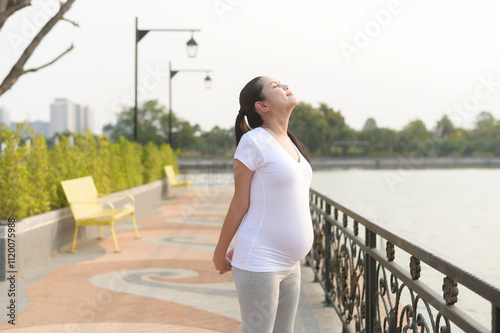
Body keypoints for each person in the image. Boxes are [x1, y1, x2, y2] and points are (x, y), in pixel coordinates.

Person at [213, 76, 313, 332]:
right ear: (262, 106)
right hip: (260, 260)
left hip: (291, 264)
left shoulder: (290, 142)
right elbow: (239, 203)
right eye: (276, 86)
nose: (286, 86)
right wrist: (220, 251)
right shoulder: (253, 142)